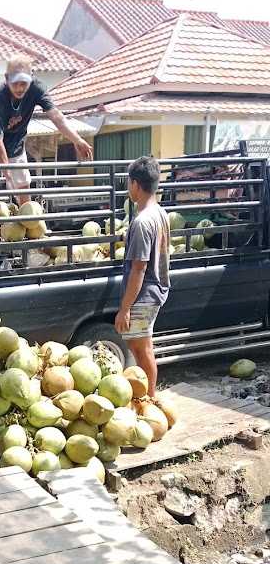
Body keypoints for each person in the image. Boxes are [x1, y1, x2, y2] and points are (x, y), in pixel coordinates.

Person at [0, 54, 92, 226]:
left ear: (32, 78)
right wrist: (5, 171)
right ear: (6, 79)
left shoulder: (37, 89)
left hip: (16, 138)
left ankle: (29, 224)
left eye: (24, 82)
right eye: (15, 83)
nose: (20, 87)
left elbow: (57, 117)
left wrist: (77, 139)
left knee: (22, 181)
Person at [115, 156, 170, 398]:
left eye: (129, 183)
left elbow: (138, 269)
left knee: (141, 348)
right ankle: (147, 397)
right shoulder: (160, 213)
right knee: (142, 346)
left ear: (136, 184)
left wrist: (125, 309)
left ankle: (149, 399)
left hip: (144, 292)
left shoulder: (142, 222)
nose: (129, 188)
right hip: (156, 288)